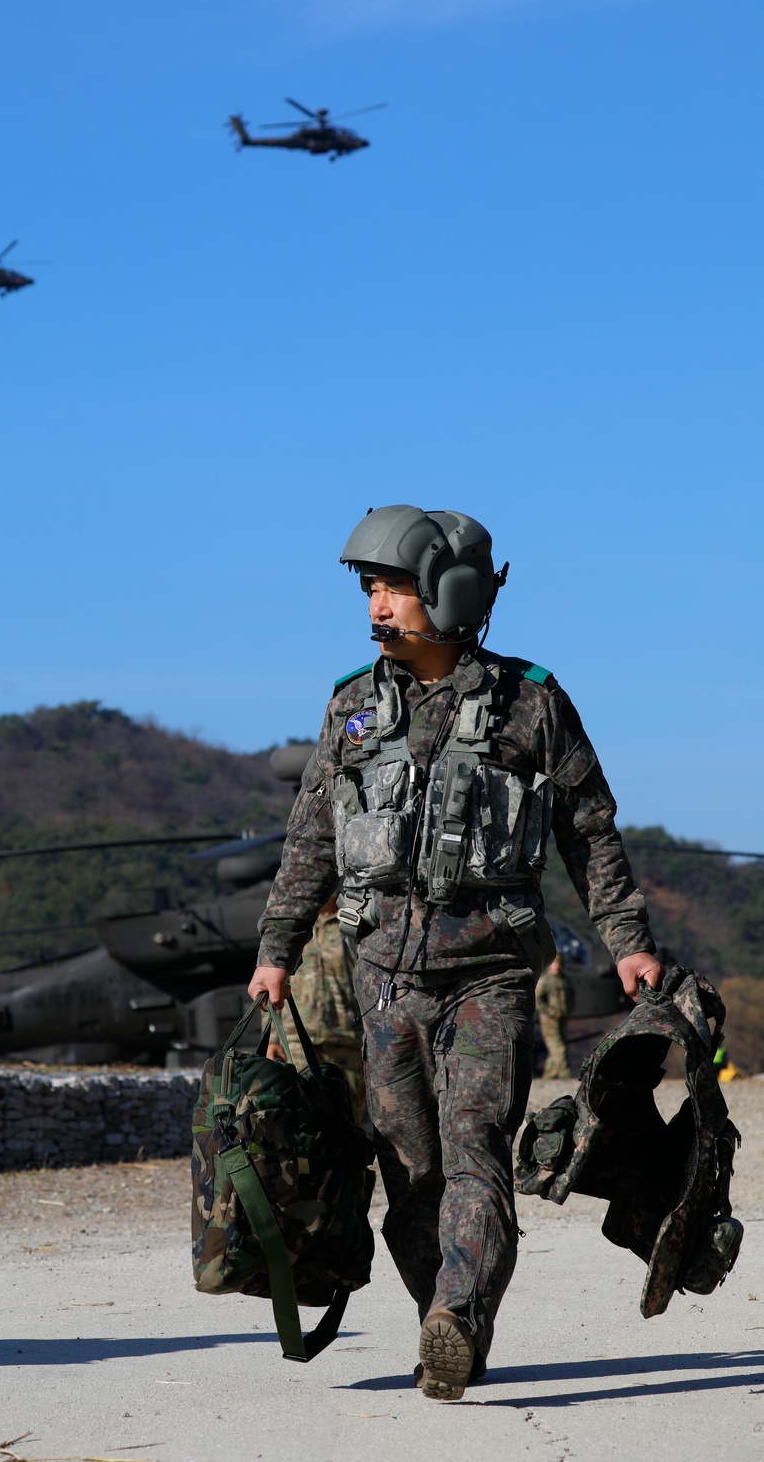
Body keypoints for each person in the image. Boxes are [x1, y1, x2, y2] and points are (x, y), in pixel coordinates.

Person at [248, 505, 662, 1402]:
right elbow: (310, 840)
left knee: (474, 1143)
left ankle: (458, 1322)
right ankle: (447, 1311)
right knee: (409, 1169)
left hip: (492, 973)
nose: (377, 606)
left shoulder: (532, 703)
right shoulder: (351, 707)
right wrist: (276, 949)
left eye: (394, 587)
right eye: (370, 588)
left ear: (451, 592)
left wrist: (626, 941)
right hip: (381, 978)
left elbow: (589, 834)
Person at [269, 896, 366, 1123]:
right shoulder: (293, 929)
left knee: (348, 1115)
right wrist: (274, 1037)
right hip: (298, 1038)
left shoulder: (352, 922)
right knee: (302, 1114)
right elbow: (275, 985)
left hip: (345, 1037)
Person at [535, 954, 576, 1079]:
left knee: (556, 1049)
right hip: (549, 1020)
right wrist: (552, 1012)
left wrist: (568, 1010)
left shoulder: (565, 980)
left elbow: (571, 996)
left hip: (562, 1018)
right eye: (555, 964)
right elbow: (538, 1000)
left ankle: (549, 1075)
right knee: (559, 1048)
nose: (557, 967)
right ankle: (566, 1075)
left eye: (559, 964)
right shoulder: (545, 980)